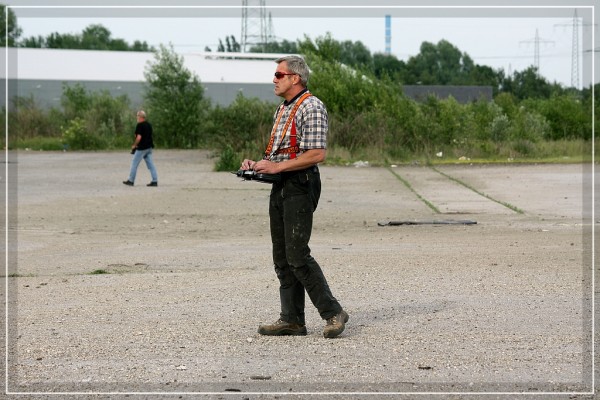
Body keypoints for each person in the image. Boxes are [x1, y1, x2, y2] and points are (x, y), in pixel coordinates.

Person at [241, 55, 348, 339]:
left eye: (278, 75)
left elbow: (317, 154)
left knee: (298, 255)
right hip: (283, 184)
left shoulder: (311, 106)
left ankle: (333, 312)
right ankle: (292, 319)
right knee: (282, 256)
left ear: (295, 78)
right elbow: (281, 154)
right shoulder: (284, 109)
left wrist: (277, 166)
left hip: (301, 184)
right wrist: (257, 165)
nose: (273, 80)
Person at [123, 110, 158, 187]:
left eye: (137, 115)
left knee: (134, 163)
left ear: (140, 116)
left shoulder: (140, 125)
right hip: (149, 148)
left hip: (142, 148)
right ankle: (155, 181)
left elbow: (139, 137)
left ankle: (131, 180)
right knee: (151, 165)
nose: (136, 117)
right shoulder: (149, 125)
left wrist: (134, 145)